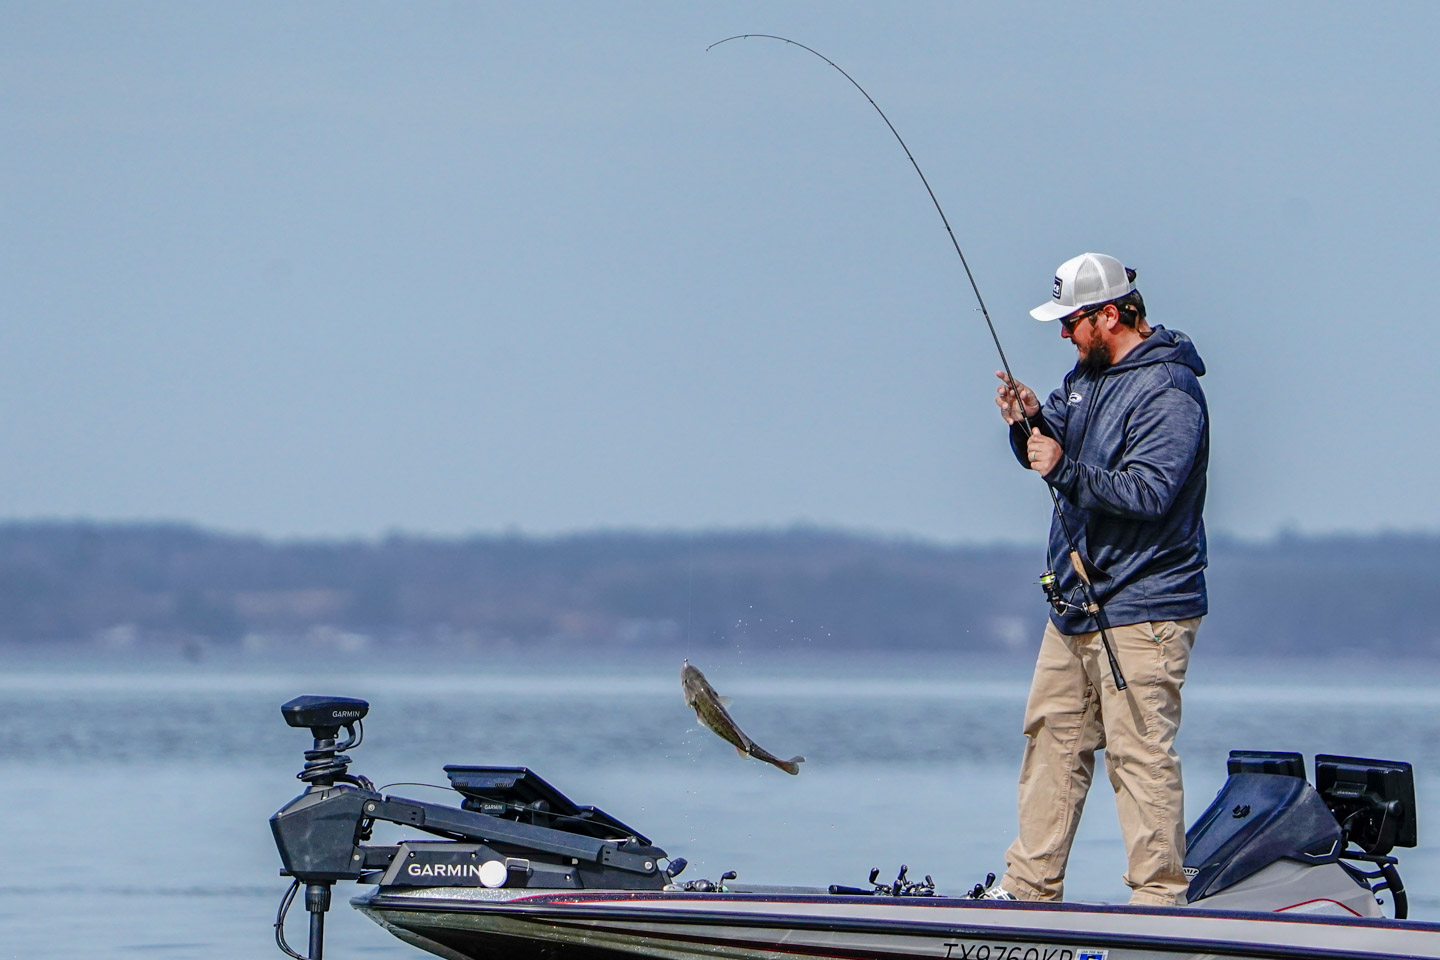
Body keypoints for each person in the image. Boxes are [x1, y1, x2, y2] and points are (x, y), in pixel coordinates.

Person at [987, 252, 1209, 907]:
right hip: (1077, 605)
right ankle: (1028, 891)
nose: (1064, 334)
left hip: (1145, 607)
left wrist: (1061, 466)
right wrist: (1028, 421)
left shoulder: (1169, 390)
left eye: (1072, 321)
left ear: (1110, 314)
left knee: (1139, 755)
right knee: (1051, 741)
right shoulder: (1085, 378)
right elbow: (1050, 448)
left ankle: (1159, 903)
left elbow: (1151, 491)